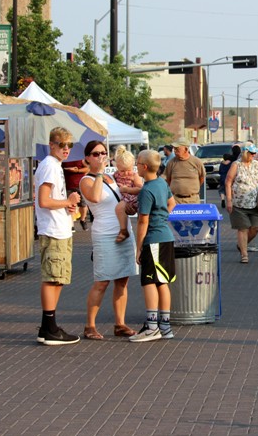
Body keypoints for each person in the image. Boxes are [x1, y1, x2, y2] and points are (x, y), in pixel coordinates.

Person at [79, 141, 138, 340]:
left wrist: (130, 206)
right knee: (102, 281)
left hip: (123, 231)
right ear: (87, 158)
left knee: (123, 280)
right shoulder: (86, 180)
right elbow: (95, 198)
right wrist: (98, 173)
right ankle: (90, 326)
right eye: (96, 154)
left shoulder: (112, 177)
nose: (101, 156)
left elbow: (122, 198)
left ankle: (120, 324)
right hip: (104, 234)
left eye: (103, 153)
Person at [35, 127, 82, 345]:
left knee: (58, 278)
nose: (66, 149)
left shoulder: (55, 166)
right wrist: (68, 202)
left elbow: (53, 200)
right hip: (53, 231)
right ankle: (50, 326)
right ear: (51, 145)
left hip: (59, 228)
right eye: (61, 144)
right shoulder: (50, 166)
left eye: (69, 145)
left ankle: (48, 326)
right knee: (52, 278)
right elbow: (44, 200)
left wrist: (67, 206)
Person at [130, 149, 177, 342]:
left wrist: (139, 247)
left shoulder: (147, 190)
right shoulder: (162, 183)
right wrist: (163, 217)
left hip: (153, 239)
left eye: (138, 163)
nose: (136, 166)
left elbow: (143, 221)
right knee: (162, 281)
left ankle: (152, 326)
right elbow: (172, 204)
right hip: (166, 237)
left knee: (149, 281)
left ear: (144, 166)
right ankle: (165, 326)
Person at [225, 143, 258, 263]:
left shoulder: (257, 164)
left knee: (256, 227)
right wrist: (229, 200)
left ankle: (242, 245)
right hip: (239, 203)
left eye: (254, 153)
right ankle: (244, 254)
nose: (253, 155)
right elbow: (228, 182)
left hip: (255, 202)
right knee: (243, 228)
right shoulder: (236, 165)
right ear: (245, 152)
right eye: (251, 153)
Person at [112, 145, 143, 243]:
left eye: (128, 170)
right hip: (123, 199)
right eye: (122, 171)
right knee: (120, 208)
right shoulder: (115, 175)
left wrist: (127, 190)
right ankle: (124, 228)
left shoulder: (134, 175)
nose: (126, 174)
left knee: (119, 208)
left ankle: (124, 230)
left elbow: (140, 188)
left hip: (133, 198)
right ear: (117, 167)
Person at [164, 138, 205, 204]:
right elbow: (168, 179)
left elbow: (202, 178)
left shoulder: (197, 162)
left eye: (177, 149)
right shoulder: (171, 163)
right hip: (175, 200)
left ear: (186, 149)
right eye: (174, 149)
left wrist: (192, 190)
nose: (175, 151)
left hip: (193, 200)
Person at [62, 154, 89, 231]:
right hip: (68, 185)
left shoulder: (80, 158)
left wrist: (77, 170)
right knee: (69, 205)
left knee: (83, 204)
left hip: (80, 185)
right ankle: (71, 224)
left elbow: (87, 169)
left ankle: (83, 220)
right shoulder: (64, 159)